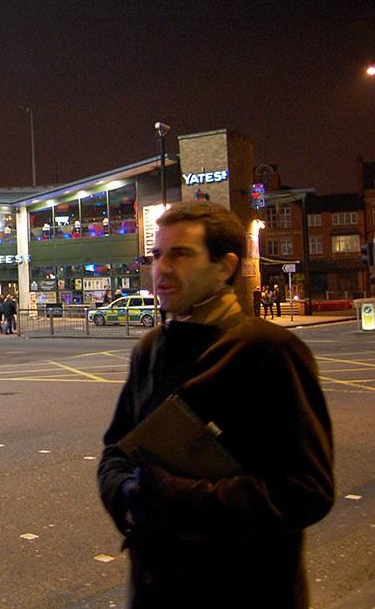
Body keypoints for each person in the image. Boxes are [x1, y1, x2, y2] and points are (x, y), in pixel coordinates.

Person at [97, 201, 333, 608]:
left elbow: (305, 489)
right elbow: (115, 452)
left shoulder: (270, 351)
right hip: (155, 591)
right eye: (157, 255)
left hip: (245, 592)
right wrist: (127, 495)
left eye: (181, 254)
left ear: (224, 267)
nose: (162, 269)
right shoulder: (150, 349)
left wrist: (176, 499)